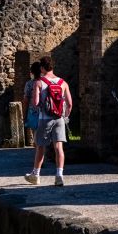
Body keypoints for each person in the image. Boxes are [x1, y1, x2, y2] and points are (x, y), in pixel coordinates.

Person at [24, 56, 73, 187]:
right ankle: (59, 175)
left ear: (42, 68)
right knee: (59, 147)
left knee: (40, 147)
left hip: (44, 119)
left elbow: (35, 103)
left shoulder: (39, 82)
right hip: (59, 119)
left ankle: (36, 175)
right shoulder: (63, 83)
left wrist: (41, 107)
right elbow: (69, 104)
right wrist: (65, 115)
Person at [22, 62, 42, 146]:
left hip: (33, 110)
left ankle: (37, 150)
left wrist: (24, 113)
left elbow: (26, 99)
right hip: (45, 110)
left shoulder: (29, 84)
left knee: (36, 133)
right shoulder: (46, 82)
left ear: (32, 72)